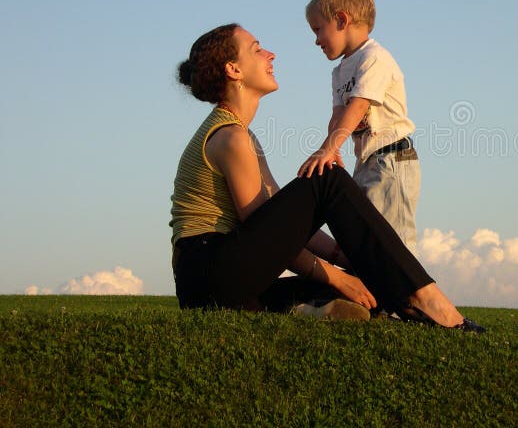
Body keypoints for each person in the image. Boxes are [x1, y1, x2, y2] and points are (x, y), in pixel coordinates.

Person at [170, 22, 484, 332]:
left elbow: (281, 225)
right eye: (257, 49)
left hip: (218, 285)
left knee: (368, 294)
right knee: (326, 178)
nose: (271, 55)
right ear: (233, 70)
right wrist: (338, 275)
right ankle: (426, 299)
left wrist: (348, 261)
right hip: (211, 271)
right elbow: (270, 234)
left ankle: (311, 307)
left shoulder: (242, 136)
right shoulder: (230, 139)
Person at [299, 0, 421, 254]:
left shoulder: (374, 58)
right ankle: (368, 292)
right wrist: (331, 149)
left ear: (342, 20)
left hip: (392, 158)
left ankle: (409, 293)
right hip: (365, 160)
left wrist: (331, 148)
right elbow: (338, 115)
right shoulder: (340, 71)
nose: (316, 40)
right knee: (364, 233)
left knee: (393, 235)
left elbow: (358, 106)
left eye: (318, 29)